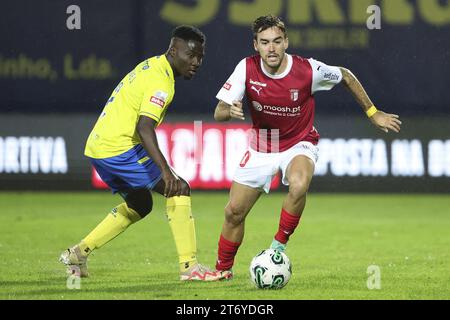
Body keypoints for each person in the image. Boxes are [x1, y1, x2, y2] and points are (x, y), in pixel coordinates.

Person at [213, 15, 402, 279]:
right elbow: (219, 112)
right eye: (265, 42)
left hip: (298, 142)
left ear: (286, 42)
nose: (272, 48)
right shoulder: (246, 68)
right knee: (234, 213)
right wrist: (228, 110)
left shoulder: (307, 70)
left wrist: (372, 113)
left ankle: (277, 247)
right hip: (262, 146)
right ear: (255, 45)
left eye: (277, 41)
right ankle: (223, 270)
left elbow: (345, 75)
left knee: (299, 183)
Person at [60, 25, 226, 281]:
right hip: (118, 148)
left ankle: (78, 254)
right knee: (178, 187)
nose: (196, 62)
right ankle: (190, 268)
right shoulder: (162, 82)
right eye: (190, 55)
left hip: (99, 146)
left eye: (200, 57)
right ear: (174, 50)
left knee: (141, 204)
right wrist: (165, 170)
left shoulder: (153, 65)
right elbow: (145, 127)